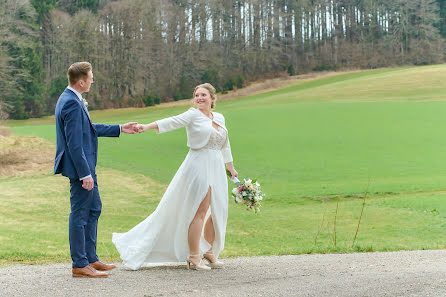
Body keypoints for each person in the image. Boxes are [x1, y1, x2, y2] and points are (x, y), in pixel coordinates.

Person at [112, 83, 238, 270]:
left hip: (217, 165)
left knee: (218, 208)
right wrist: (146, 126)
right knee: (200, 210)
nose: (199, 98)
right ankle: (194, 256)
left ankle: (209, 251)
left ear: (212, 98)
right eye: (197, 95)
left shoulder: (219, 117)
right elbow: (171, 121)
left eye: (203, 95)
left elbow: (224, 145)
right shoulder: (192, 114)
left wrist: (231, 168)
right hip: (199, 164)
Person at [54, 62, 139, 278]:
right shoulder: (72, 103)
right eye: (91, 77)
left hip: (86, 166)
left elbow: (88, 130)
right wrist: (84, 174)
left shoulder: (73, 98)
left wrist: (120, 128)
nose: (93, 80)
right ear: (81, 81)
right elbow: (74, 144)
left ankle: (91, 258)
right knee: (80, 213)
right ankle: (80, 264)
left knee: (94, 209)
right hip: (80, 169)